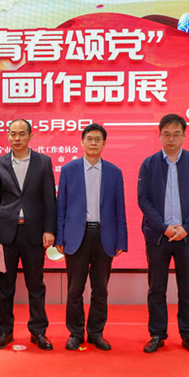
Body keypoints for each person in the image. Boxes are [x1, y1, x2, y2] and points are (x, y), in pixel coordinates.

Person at [138, 113, 189, 356]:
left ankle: (188, 334)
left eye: (176, 134)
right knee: (156, 288)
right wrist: (164, 228)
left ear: (184, 136)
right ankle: (157, 334)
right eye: (166, 134)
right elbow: (143, 200)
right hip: (158, 236)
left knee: (187, 287)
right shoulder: (149, 164)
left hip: (187, 236)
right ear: (159, 136)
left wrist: (186, 227)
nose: (171, 139)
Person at [56, 123, 127, 351]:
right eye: (89, 139)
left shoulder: (114, 172)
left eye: (98, 139)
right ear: (82, 142)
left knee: (100, 289)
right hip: (76, 236)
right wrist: (59, 237)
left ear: (104, 143)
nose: (93, 143)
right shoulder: (69, 170)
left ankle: (96, 332)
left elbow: (120, 208)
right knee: (74, 289)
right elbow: (61, 206)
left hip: (104, 237)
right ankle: (76, 333)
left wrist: (121, 240)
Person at [0, 119, 56, 351]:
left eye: (21, 134)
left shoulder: (43, 162)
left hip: (34, 234)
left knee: (36, 284)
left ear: (30, 136)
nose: (17, 138)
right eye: (13, 133)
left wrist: (49, 229)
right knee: (5, 285)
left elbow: (49, 199)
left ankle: (38, 332)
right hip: (6, 235)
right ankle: (4, 331)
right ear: (8, 136)